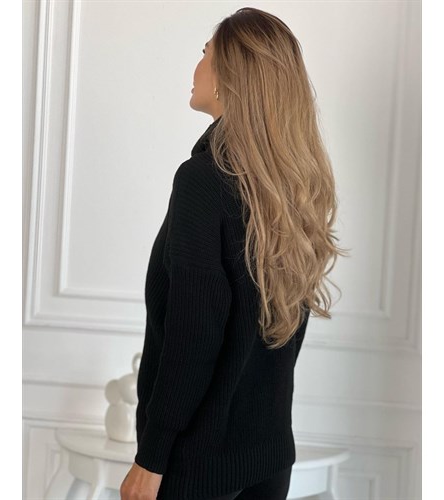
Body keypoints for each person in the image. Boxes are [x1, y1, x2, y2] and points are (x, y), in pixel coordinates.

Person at [120, 7, 348, 500]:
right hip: (269, 457)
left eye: (205, 54)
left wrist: (151, 459)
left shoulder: (203, 181)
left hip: (195, 468)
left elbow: (192, 334)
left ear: (229, 76)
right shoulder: (290, 186)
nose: (197, 65)